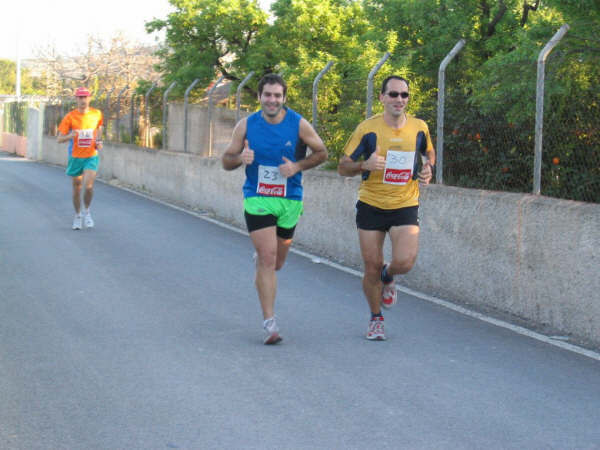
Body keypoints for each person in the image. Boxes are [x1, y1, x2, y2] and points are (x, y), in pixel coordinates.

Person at [222, 74, 328, 344]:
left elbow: (322, 153)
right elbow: (226, 161)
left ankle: (262, 261)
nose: (272, 100)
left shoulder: (299, 124)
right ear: (259, 97)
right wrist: (239, 158)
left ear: (284, 98)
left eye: (277, 96)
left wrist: (297, 166)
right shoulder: (246, 126)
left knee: (276, 262)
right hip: (257, 197)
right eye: (267, 95)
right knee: (268, 258)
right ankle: (270, 323)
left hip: (290, 198)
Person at [338, 75, 435, 341]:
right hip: (371, 204)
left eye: (404, 95)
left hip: (405, 202)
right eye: (393, 94)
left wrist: (428, 169)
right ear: (382, 98)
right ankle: (376, 318)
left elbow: (429, 152)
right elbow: (342, 166)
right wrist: (363, 166)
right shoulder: (367, 129)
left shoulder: (419, 127)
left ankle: (388, 275)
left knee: (404, 261)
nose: (399, 100)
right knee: (371, 266)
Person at [57, 87, 104, 230]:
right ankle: (77, 215)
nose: (83, 100)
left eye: (85, 97)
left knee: (88, 186)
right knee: (77, 188)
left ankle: (87, 212)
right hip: (76, 156)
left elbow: (100, 128)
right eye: (80, 97)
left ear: (89, 98)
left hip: (91, 156)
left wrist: (99, 141)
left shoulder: (97, 114)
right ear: (76, 99)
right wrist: (70, 136)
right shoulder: (70, 117)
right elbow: (59, 139)